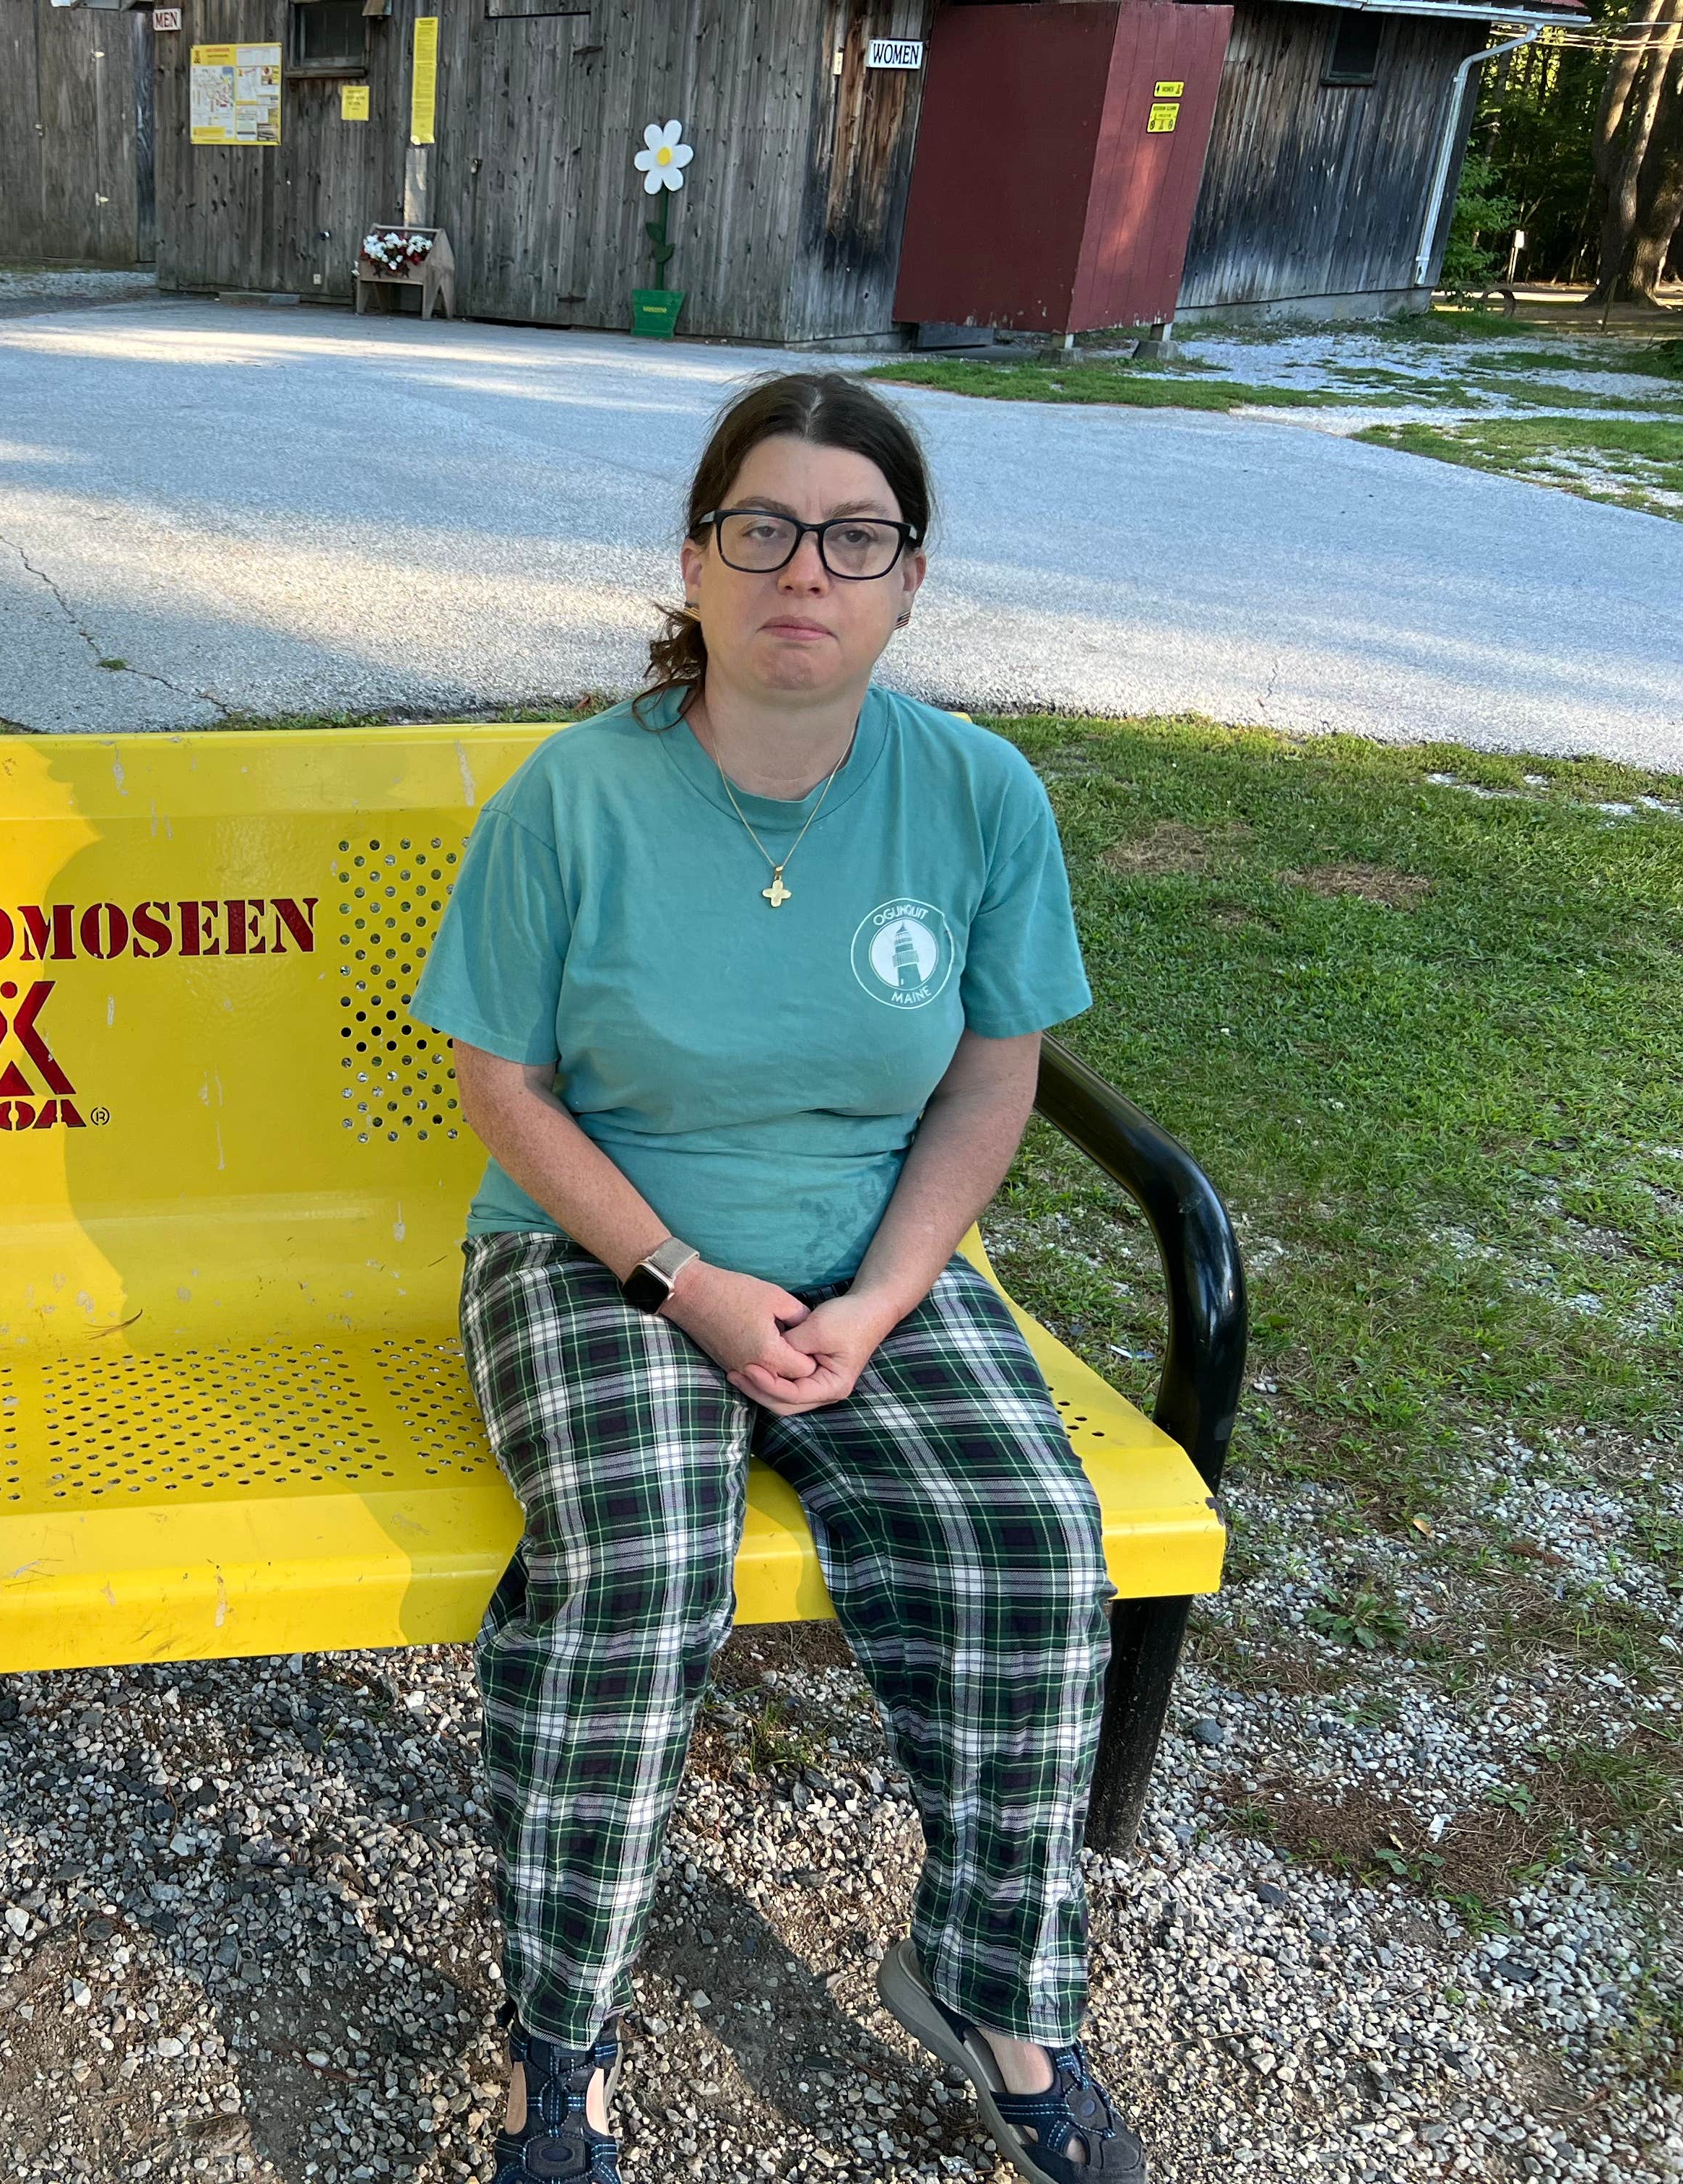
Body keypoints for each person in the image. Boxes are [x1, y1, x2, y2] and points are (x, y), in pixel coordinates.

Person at [408, 371, 1146, 2184]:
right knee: (643, 1560)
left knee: (1032, 1537)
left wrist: (886, 1301)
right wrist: (685, 1282)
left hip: (873, 1256)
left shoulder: (977, 795)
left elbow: (989, 1081)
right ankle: (559, 2041)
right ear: (696, 559)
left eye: (855, 537)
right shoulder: (576, 798)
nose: (804, 569)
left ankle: (990, 1985)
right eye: (762, 528)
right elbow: (501, 1085)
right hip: (599, 1254)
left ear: (911, 579)